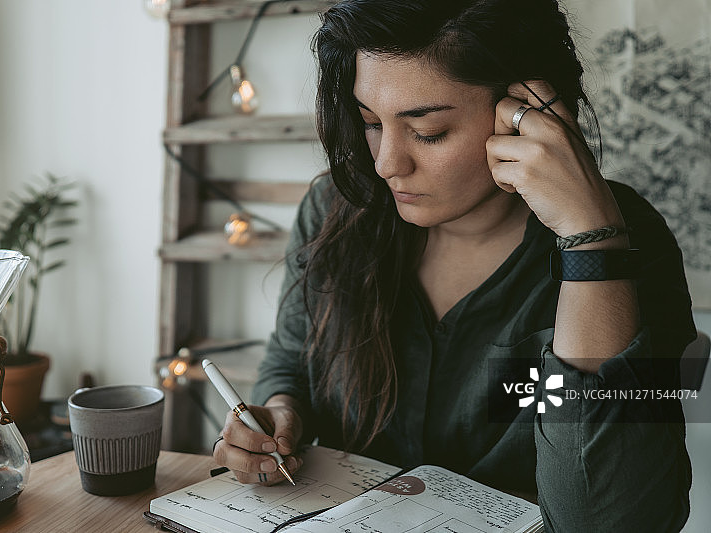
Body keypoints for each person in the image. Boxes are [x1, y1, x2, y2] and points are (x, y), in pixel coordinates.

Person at [211, 0, 697, 531]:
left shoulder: (630, 241)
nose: (386, 164)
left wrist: (591, 245)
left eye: (430, 131)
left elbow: (611, 520)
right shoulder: (335, 210)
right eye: (371, 122)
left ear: (529, 112)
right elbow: (292, 363)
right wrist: (281, 414)